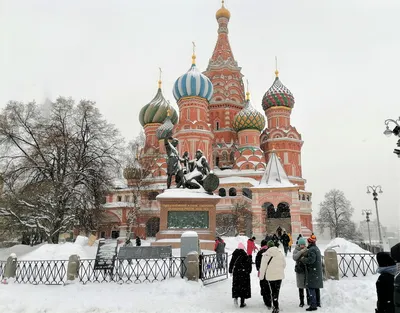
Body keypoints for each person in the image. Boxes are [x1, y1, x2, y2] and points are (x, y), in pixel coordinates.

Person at [259, 240, 286, 313]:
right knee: (277, 291)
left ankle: (275, 306)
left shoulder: (266, 254)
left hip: (270, 276)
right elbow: (284, 264)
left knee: (272, 291)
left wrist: (261, 277)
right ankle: (276, 305)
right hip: (279, 276)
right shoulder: (280, 253)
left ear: (268, 246)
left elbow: (263, 267)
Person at [300, 236, 323, 311]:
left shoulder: (312, 249)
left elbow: (311, 260)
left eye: (308, 242)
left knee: (311, 287)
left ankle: (313, 305)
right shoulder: (316, 248)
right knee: (316, 288)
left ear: (310, 242)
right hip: (316, 271)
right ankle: (318, 302)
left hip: (313, 272)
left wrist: (304, 259)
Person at [229, 242, 252, 308]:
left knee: (236, 285)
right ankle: (242, 303)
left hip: (236, 272)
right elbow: (248, 265)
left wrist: (230, 270)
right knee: (243, 287)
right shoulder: (245, 255)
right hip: (243, 274)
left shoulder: (234, 254)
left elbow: (231, 263)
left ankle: (235, 297)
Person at [293, 237, 310, 307]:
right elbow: (294, 257)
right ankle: (301, 301)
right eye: (301, 244)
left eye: (303, 244)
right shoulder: (296, 250)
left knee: (307, 286)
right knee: (300, 287)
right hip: (299, 270)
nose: (302, 245)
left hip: (306, 270)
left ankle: (309, 300)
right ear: (299, 245)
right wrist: (301, 252)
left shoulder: (307, 249)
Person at [255, 240, 269, 306]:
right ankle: (269, 298)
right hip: (269, 271)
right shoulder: (269, 251)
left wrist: (259, 269)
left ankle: (265, 298)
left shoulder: (260, 252)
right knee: (268, 285)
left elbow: (257, 262)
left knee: (263, 285)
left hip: (262, 272)